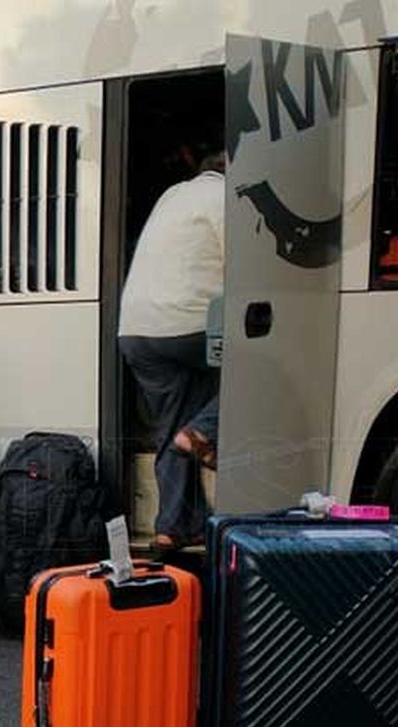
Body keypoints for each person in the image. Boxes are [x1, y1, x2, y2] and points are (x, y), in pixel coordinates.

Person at [119, 144, 225, 553]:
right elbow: (247, 264)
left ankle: (172, 529)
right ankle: (204, 430)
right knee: (263, 366)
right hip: (188, 325)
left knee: (171, 427)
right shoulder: (227, 196)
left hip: (136, 330)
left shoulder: (173, 196)